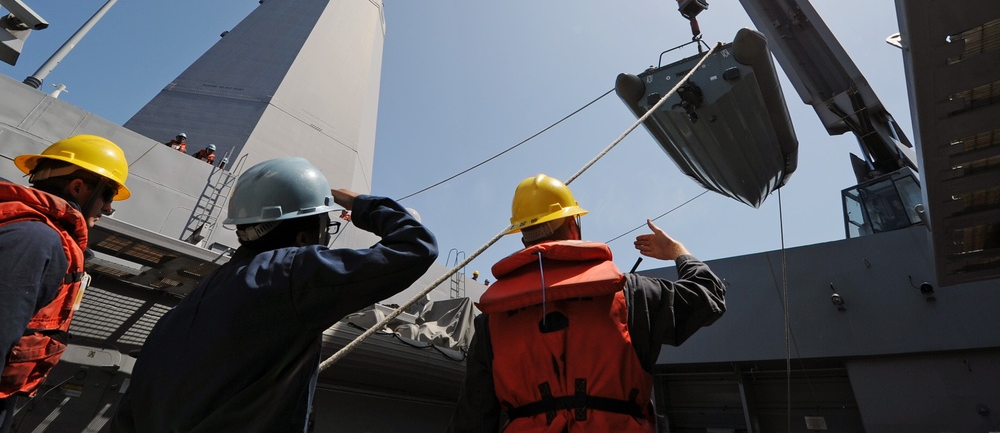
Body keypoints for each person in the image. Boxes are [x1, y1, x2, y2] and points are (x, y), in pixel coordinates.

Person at [110, 156, 438, 433]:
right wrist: (359, 203)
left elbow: (129, 414)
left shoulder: (187, 307)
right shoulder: (291, 273)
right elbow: (415, 247)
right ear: (304, 233)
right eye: (325, 226)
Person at [448, 174, 727, 432]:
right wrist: (678, 252)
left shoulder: (491, 321)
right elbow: (708, 295)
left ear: (523, 238)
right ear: (573, 225)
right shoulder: (630, 292)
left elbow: (471, 420)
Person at [0, 135, 130, 433]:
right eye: (108, 195)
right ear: (78, 187)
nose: (108, 208)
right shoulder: (36, 240)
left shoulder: (31, 232)